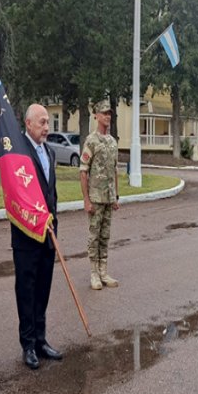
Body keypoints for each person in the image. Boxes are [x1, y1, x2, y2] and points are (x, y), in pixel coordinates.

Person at [11, 104, 63, 370]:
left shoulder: (49, 152)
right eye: (42, 122)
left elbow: (50, 193)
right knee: (27, 290)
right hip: (26, 236)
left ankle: (41, 341)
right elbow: (17, 194)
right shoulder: (18, 154)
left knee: (43, 289)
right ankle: (28, 344)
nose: (46, 127)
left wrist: (54, 219)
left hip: (48, 235)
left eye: (47, 122)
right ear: (28, 124)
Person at [80, 99, 119, 290]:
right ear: (96, 115)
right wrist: (86, 200)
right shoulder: (91, 141)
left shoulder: (113, 142)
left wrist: (116, 197)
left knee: (105, 236)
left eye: (109, 113)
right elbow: (83, 171)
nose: (108, 116)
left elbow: (115, 170)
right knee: (94, 237)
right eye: (104, 113)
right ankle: (94, 273)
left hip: (108, 197)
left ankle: (104, 271)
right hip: (95, 198)